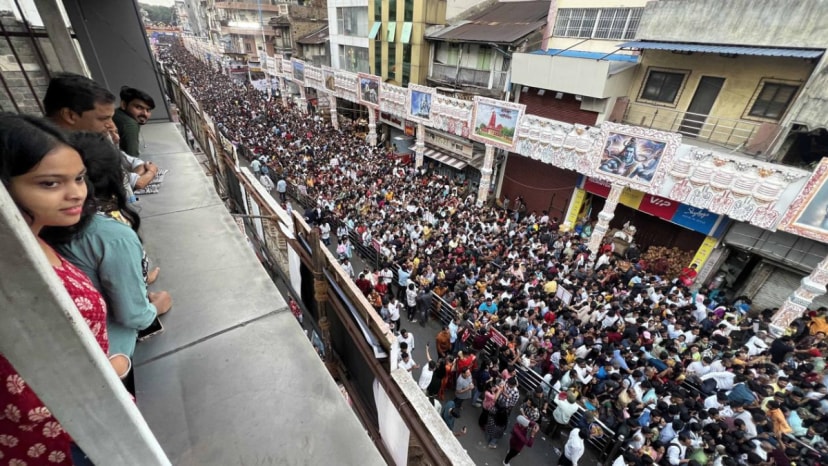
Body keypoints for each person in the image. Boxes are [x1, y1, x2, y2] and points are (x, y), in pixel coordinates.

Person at [0, 113, 119, 466]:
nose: (76, 193)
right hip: (55, 446)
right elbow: (19, 392)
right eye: (50, 183)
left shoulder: (38, 240)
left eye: (79, 178)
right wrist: (106, 377)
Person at [58, 133, 172, 362]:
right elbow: (134, 316)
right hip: (114, 352)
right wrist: (155, 308)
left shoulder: (57, 226)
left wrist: (135, 278)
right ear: (115, 178)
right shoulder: (113, 237)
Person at [112, 86, 155, 157]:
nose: (145, 114)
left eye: (148, 110)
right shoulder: (130, 125)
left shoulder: (116, 113)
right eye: (139, 107)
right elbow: (132, 159)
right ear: (124, 105)